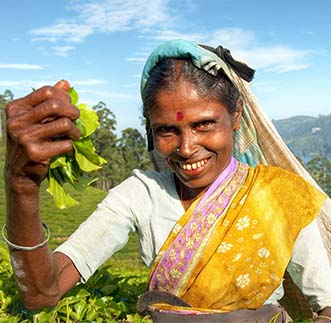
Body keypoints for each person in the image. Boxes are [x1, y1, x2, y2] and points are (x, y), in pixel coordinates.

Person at [3, 39, 331, 322]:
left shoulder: (281, 196)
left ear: (236, 116)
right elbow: (42, 293)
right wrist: (22, 185)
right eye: (167, 130)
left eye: (204, 125)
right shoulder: (141, 194)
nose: (186, 149)